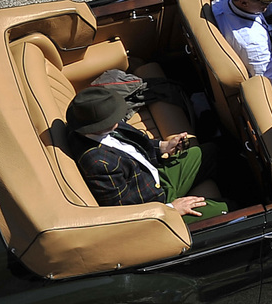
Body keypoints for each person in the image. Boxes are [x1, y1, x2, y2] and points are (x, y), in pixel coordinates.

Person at [65, 87, 222, 219]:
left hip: (153, 177)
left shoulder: (101, 126)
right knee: (224, 209)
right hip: (156, 204)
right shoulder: (99, 163)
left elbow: (133, 145)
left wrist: (163, 147)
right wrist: (171, 208)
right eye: (111, 119)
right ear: (97, 126)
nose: (118, 119)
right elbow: (123, 210)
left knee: (211, 152)